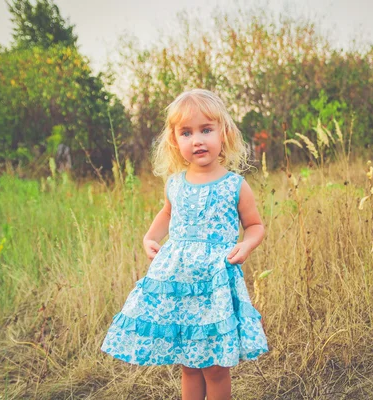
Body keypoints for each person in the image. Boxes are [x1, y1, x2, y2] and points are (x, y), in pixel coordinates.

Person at [101, 89, 269, 399]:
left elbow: (255, 225)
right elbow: (167, 213)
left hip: (215, 282)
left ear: (224, 134)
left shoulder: (235, 185)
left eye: (206, 130)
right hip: (179, 283)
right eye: (187, 133)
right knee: (189, 363)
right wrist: (150, 237)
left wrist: (246, 246)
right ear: (175, 141)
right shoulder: (175, 183)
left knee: (216, 366)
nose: (198, 140)